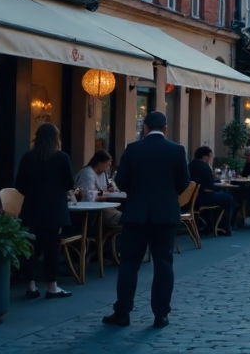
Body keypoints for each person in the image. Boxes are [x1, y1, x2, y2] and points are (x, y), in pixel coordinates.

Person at [103, 111, 191, 328]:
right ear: (166, 128)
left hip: (136, 214)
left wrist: (137, 193)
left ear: (144, 128)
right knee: (163, 263)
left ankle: (122, 312)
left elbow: (121, 181)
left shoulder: (133, 149)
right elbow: (184, 182)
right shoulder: (176, 150)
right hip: (165, 215)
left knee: (129, 263)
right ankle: (161, 314)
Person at [15, 123, 75, 300]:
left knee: (32, 248)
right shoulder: (62, 158)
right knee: (51, 249)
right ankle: (52, 287)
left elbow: (19, 185)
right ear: (55, 139)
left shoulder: (28, 157)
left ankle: (31, 286)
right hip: (54, 210)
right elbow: (69, 184)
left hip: (32, 208)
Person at [188, 146, 235, 235]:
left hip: (193, 198)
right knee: (228, 198)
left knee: (222, 195)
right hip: (204, 197)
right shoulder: (205, 167)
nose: (211, 157)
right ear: (205, 156)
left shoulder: (191, 165)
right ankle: (224, 227)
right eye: (210, 155)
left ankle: (210, 225)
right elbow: (210, 185)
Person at [75, 150, 121, 226]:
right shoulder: (88, 173)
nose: (108, 168)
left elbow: (103, 189)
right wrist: (103, 195)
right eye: (107, 165)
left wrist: (108, 190)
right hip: (90, 209)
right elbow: (88, 197)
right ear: (100, 163)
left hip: (101, 206)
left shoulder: (103, 174)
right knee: (119, 217)